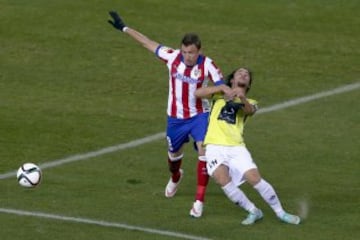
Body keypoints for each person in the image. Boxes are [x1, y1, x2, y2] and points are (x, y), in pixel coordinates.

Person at [108, 11, 228, 218]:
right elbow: (147, 43)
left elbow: (222, 87)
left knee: (204, 151)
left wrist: (224, 95)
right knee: (173, 157)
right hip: (175, 118)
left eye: (191, 52)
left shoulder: (208, 64)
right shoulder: (173, 57)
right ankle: (175, 176)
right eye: (185, 52)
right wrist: (125, 28)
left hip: (200, 115)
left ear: (199, 51)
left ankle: (199, 201)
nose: (187, 56)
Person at [194, 67, 301, 225]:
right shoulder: (218, 96)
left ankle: (281, 213)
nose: (243, 75)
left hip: (236, 147)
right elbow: (197, 94)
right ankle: (253, 211)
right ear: (232, 79)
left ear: (248, 84)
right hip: (214, 147)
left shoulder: (251, 102)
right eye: (240, 73)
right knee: (222, 180)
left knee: (254, 178)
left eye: (247, 75)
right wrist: (222, 88)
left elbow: (249, 111)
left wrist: (242, 98)